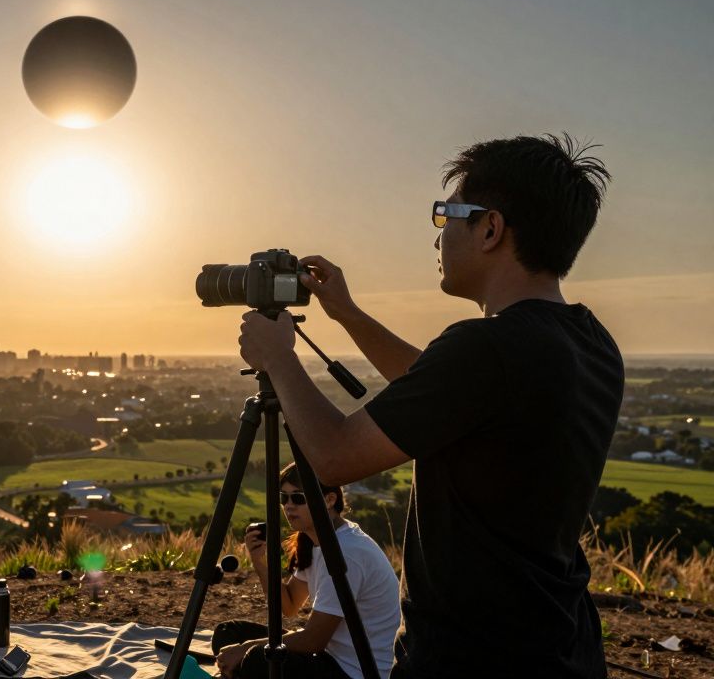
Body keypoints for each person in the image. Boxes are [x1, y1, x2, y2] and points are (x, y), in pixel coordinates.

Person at [237, 135, 623, 678]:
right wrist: (347, 313)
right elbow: (447, 391)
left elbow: (331, 458)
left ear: (489, 228)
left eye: (446, 215)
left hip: (471, 654)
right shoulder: (586, 340)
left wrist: (279, 358)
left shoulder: (485, 347)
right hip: (558, 638)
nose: (438, 237)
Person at [213, 463, 399, 679]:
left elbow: (313, 640)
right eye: (284, 498)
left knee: (256, 657)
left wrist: (245, 648)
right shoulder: (314, 541)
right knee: (228, 633)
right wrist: (260, 563)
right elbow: (289, 604)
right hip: (329, 655)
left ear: (329, 500)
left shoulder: (347, 551)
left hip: (356, 670)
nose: (289, 506)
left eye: (298, 498)